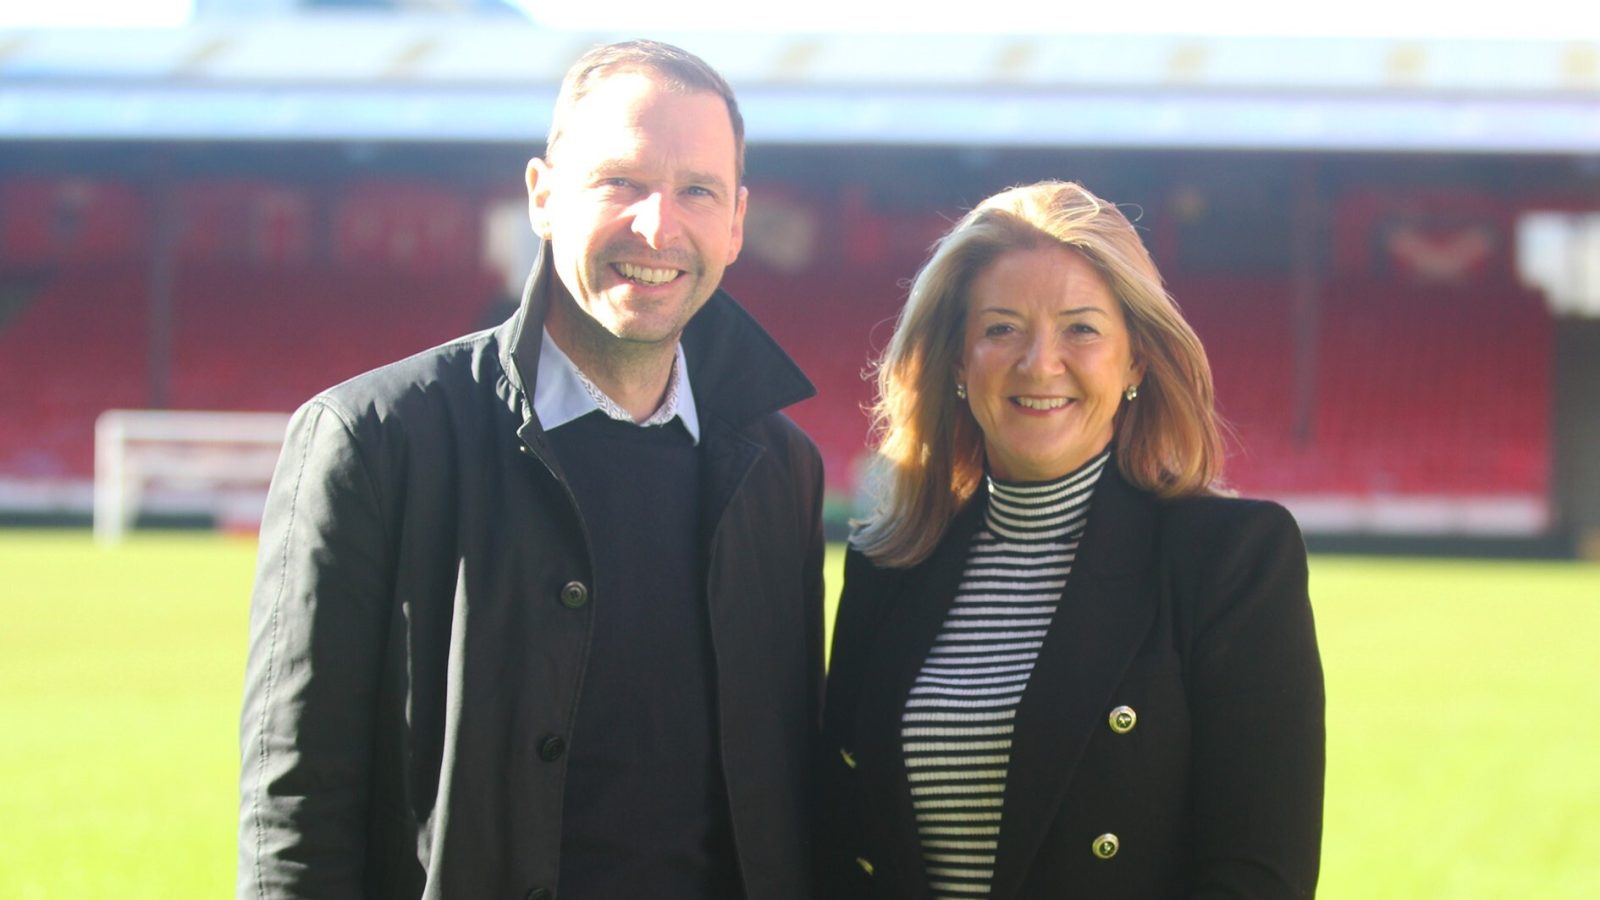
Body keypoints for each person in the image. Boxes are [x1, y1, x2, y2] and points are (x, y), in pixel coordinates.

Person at [238, 40, 825, 900]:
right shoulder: (372, 442)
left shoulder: (782, 471)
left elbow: (790, 787)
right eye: (620, 182)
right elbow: (297, 805)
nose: (658, 227)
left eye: (696, 190)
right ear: (543, 198)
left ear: (736, 222)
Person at [817, 181, 1324, 898]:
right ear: (959, 363)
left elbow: (1258, 874)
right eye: (1001, 329)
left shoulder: (1233, 560)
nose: (1039, 363)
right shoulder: (887, 564)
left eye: (1081, 328)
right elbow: (842, 841)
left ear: (1136, 360)